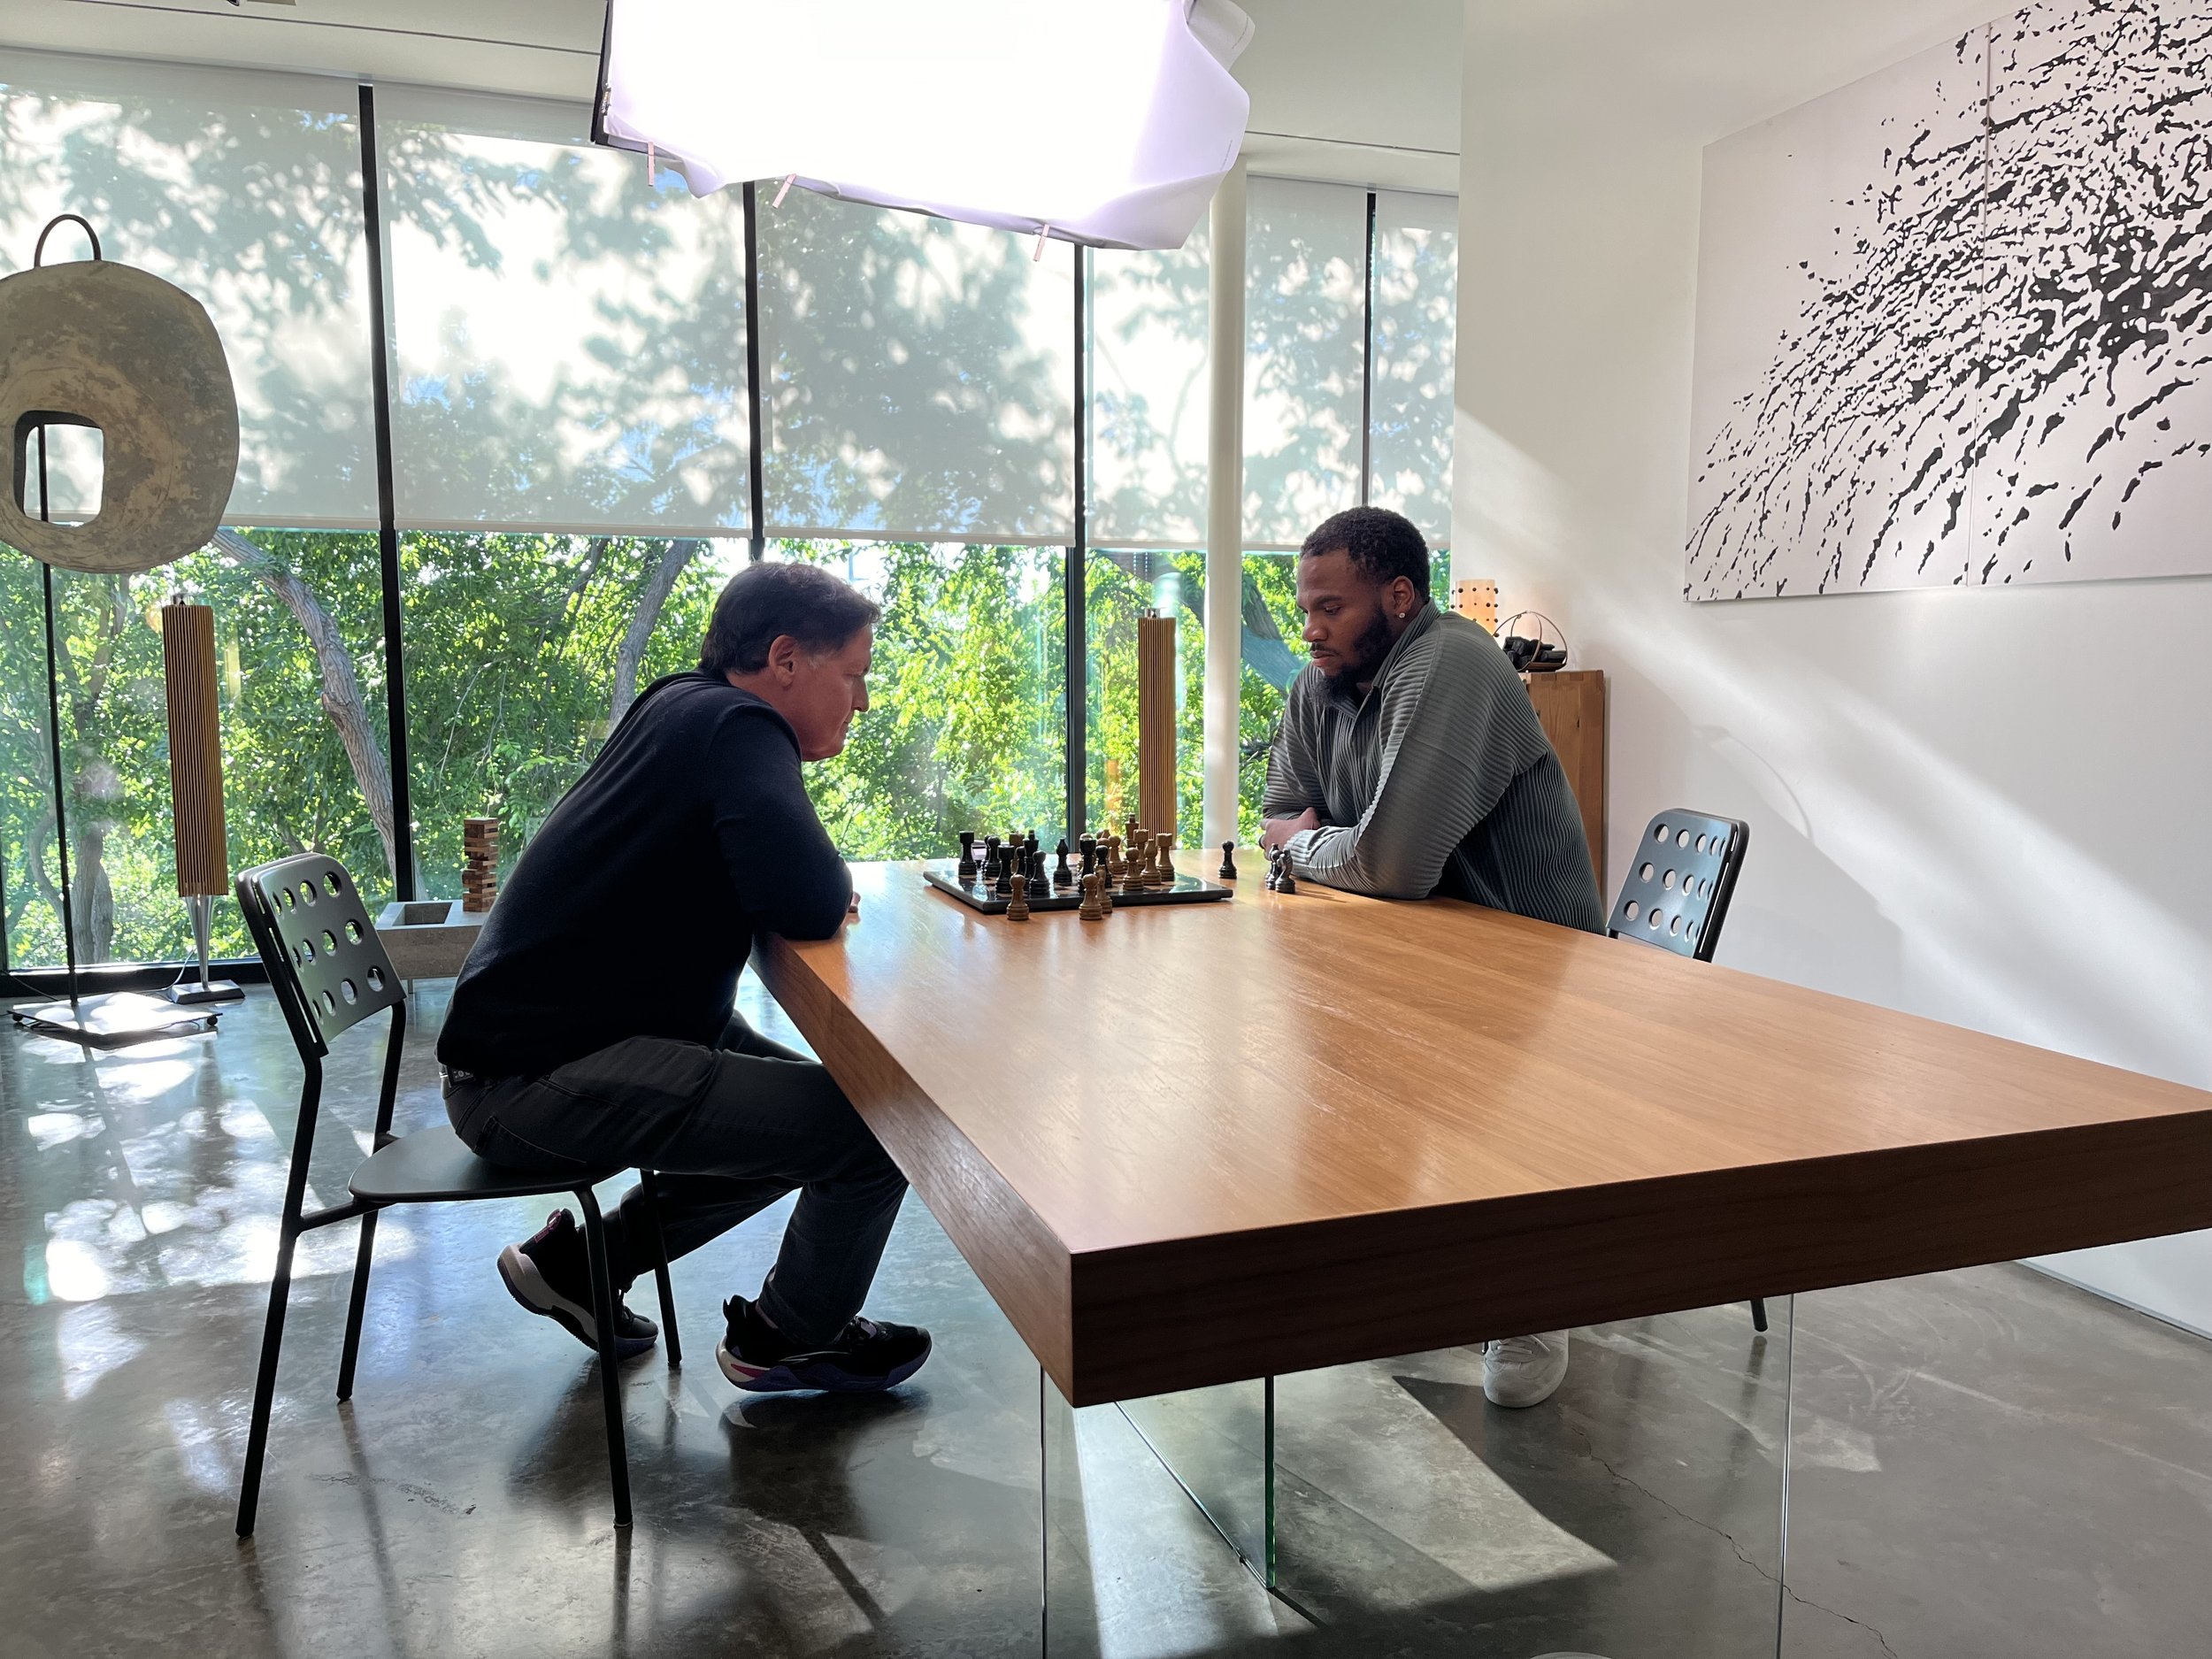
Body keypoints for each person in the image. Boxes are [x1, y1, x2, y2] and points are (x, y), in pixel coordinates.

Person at [437, 560, 930, 1395]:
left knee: (822, 1103)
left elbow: (779, 877)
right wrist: (817, 881)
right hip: (535, 1083)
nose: (863, 700)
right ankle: (791, 1336)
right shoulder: (739, 725)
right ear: (785, 660)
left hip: (549, 1053)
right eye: (853, 675)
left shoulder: (680, 703)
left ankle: (584, 1260)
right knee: (878, 1128)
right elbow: (808, 897)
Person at [1258, 505, 1602, 1409]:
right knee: (1313, 1042)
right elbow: (1274, 815)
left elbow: (1391, 863)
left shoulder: (1450, 661)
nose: (1311, 627)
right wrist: (1319, 843)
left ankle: (1529, 1293)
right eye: (1305, 607)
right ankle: (1388, 1270)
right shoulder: (1316, 683)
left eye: (1331, 607)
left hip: (1532, 975)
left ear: (1400, 596)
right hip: (1407, 950)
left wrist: (1311, 846)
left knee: (1361, 1047)